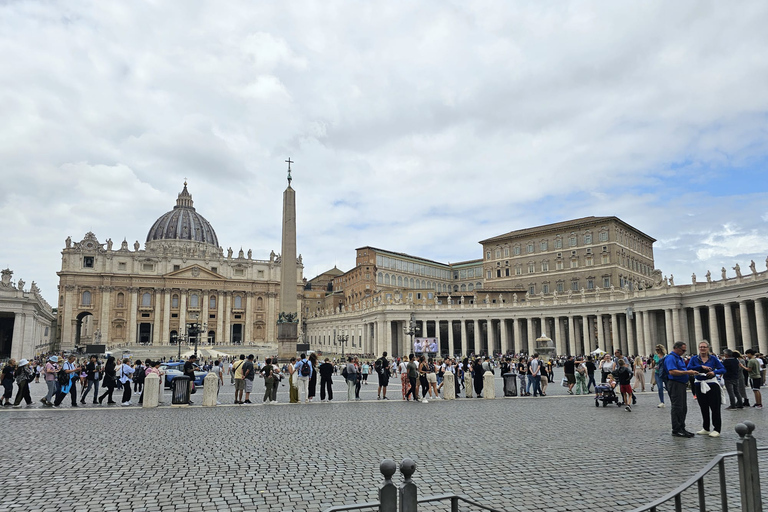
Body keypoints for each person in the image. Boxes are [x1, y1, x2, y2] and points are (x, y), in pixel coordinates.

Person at [687, 340, 725, 437]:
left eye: (704, 347)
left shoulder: (713, 359)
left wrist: (714, 373)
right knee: (703, 407)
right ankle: (706, 428)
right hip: (699, 384)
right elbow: (688, 367)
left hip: (712, 384)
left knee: (715, 407)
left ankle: (717, 429)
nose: (702, 349)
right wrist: (700, 367)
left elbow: (723, 369)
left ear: (708, 348)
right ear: (698, 348)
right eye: (701, 347)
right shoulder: (694, 358)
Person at [665, 342, 698, 438]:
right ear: (676, 348)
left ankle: (682, 427)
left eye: (685, 350)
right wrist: (687, 372)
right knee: (677, 407)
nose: (684, 352)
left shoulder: (679, 358)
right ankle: (676, 429)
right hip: (675, 384)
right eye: (682, 350)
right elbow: (672, 371)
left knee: (683, 407)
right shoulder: (671, 358)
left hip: (681, 384)